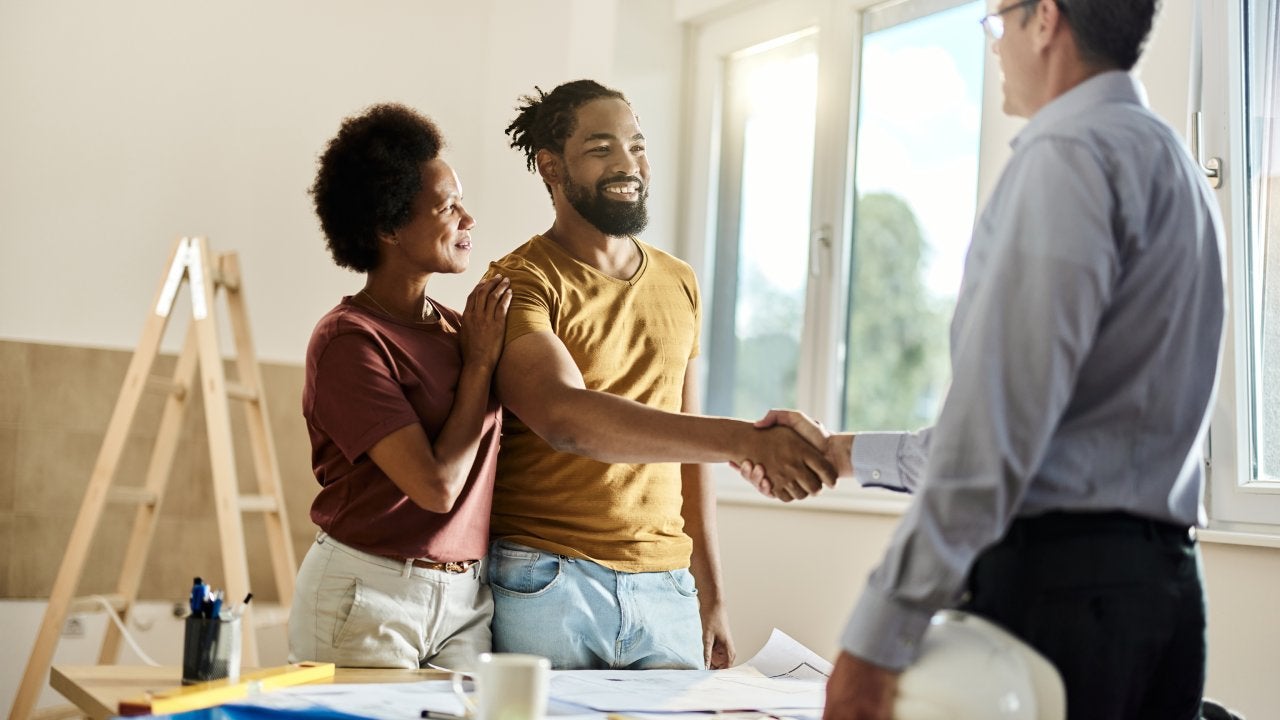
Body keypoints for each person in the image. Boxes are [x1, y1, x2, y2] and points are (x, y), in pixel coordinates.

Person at [739, 1, 1225, 717]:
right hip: (1168, 597)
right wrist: (840, 454)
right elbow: (1052, 430)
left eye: (997, 19)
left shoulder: (1067, 157)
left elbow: (994, 438)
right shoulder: (1174, 167)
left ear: (1045, 19)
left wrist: (878, 639)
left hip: (1060, 601)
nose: (994, 45)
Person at [483, 79, 837, 671]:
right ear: (551, 166)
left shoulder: (679, 281)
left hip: (667, 586)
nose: (628, 164)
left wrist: (711, 591)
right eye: (601, 148)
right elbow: (565, 419)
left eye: (637, 144)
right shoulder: (520, 282)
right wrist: (746, 441)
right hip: (547, 579)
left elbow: (686, 443)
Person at [288, 103, 512, 670]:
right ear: (388, 226)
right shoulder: (347, 342)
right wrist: (480, 367)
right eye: (447, 205)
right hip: (366, 593)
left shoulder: (461, 329)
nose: (469, 219)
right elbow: (435, 488)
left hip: (466, 598)